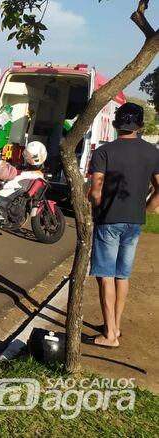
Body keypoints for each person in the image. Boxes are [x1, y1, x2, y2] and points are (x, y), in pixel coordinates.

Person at [84, 102, 159, 348]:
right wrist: (145, 210)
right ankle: (115, 326)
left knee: (105, 276)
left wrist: (96, 209)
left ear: (116, 125)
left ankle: (111, 336)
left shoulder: (104, 152)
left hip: (108, 220)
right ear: (141, 126)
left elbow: (95, 191)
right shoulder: (152, 153)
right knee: (121, 275)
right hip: (134, 223)